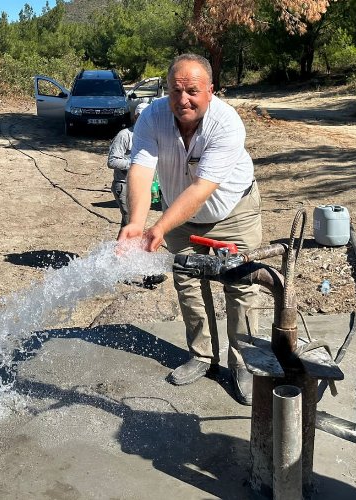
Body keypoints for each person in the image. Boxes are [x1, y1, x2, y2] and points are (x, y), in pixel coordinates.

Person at [117, 53, 262, 405]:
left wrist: (159, 227)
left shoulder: (226, 123)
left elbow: (201, 189)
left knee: (241, 285)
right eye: (175, 90)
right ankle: (202, 355)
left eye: (192, 91)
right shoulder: (152, 117)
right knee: (188, 284)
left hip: (233, 212)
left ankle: (244, 363)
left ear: (211, 90)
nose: (183, 99)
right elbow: (141, 170)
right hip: (178, 215)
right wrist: (136, 223)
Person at [108, 102, 167, 289]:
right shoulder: (125, 135)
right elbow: (112, 161)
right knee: (132, 226)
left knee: (129, 226)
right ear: (136, 117)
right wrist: (137, 165)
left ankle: (118, 266)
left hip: (143, 187)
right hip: (124, 185)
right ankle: (144, 272)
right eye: (142, 116)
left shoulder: (153, 136)